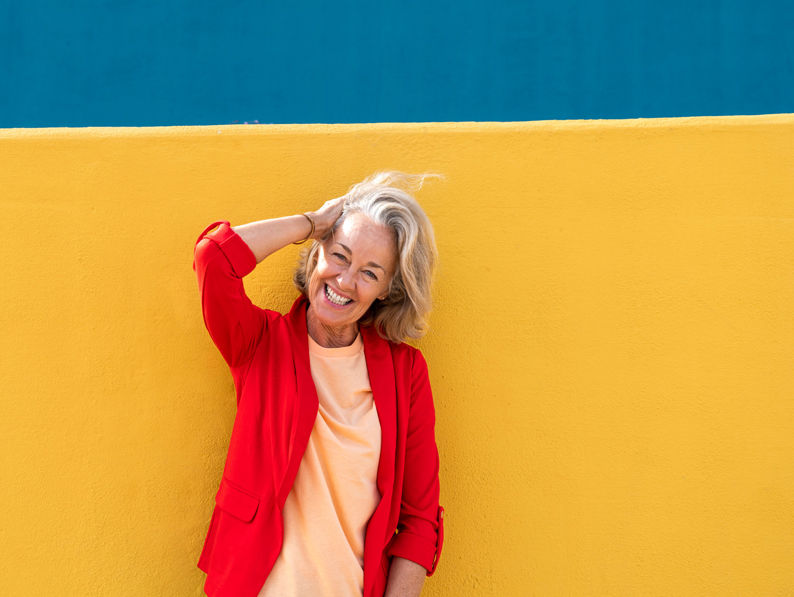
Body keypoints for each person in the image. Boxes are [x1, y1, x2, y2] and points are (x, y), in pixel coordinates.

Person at [192, 171, 445, 597]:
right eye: (340, 255)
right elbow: (214, 258)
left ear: (387, 289)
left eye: (369, 273)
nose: (345, 281)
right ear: (317, 253)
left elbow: (419, 521)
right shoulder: (260, 343)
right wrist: (312, 223)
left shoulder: (405, 373)